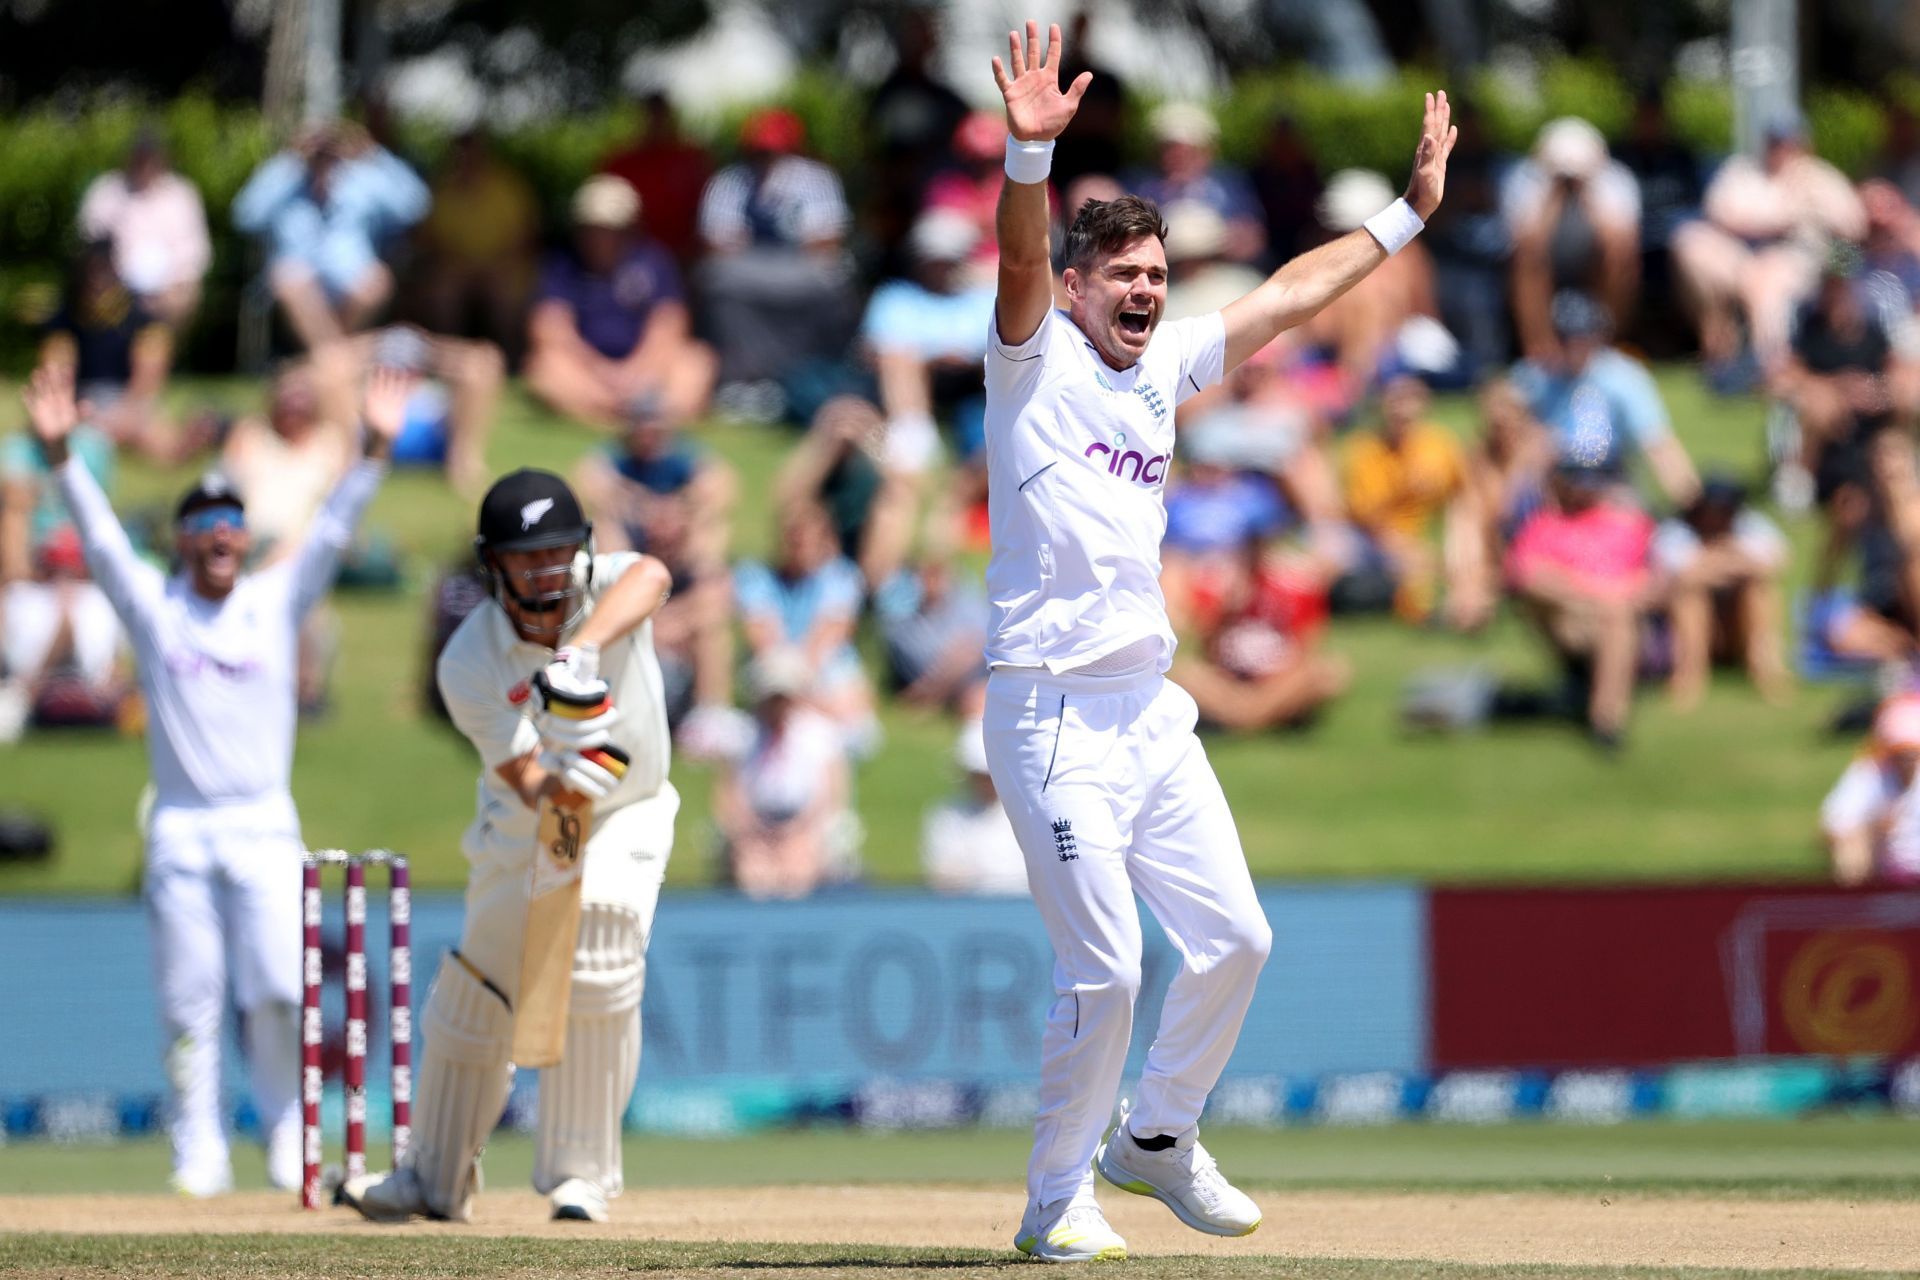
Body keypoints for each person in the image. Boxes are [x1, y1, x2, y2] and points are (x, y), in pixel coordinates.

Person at [981, 20, 1454, 1260]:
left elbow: (1292, 291)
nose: (1143, 290)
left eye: (1155, 274)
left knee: (1238, 936)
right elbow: (1016, 256)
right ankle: (1052, 1205)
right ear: (1078, 288)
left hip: (1148, 708)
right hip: (1049, 714)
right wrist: (1030, 157)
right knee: (1110, 969)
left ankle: (1154, 1138)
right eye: (1121, 275)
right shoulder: (1028, 362)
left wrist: (1406, 214)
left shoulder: (1164, 366)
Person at [18, 359, 404, 1196]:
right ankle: (197, 1149)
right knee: (190, 1002)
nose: (223, 534)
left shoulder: (273, 600)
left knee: (273, 988)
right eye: (206, 523)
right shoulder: (157, 608)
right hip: (182, 825)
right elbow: (104, 544)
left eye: (233, 520)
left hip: (264, 821)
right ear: (187, 538)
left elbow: (334, 530)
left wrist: (373, 448)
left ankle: (283, 1131)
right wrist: (58, 459)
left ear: (244, 534)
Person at [342, 468, 678, 1225]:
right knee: (473, 998)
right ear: (492, 565)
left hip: (631, 810)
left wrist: (581, 654)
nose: (547, 570)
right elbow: (529, 781)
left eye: (559, 553)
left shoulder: (609, 588)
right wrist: (569, 765)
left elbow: (654, 573)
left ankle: (579, 1177)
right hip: (526, 825)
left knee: (602, 942)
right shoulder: (468, 659)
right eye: (527, 558)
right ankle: (431, 1179)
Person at [1671, 114, 1866, 382]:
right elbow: (1718, 213)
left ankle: (1770, 362)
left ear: (1802, 144)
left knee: (1765, 280)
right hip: (1741, 254)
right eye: (1774, 141)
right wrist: (1772, 223)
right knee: (1690, 241)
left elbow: (1853, 227)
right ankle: (1717, 343)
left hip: (1798, 259)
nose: (1780, 148)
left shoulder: (1820, 177)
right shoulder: (1743, 169)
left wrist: (1809, 218)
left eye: (1786, 142)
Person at [526, 175, 716, 431]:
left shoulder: (654, 260)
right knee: (545, 369)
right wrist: (599, 369)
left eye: (607, 229)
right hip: (585, 369)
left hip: (648, 369)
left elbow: (670, 325)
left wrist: (637, 370)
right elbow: (549, 328)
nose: (598, 238)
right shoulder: (562, 264)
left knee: (696, 362)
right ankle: (627, 415)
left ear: (628, 228)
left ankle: (651, 416)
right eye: (591, 228)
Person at [695, 109, 857, 392]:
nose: (765, 158)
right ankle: (742, 380)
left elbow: (828, 241)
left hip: (802, 269)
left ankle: (817, 372)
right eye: (759, 151)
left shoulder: (816, 178)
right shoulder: (729, 182)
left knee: (834, 276)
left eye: (772, 151)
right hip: (748, 269)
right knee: (716, 278)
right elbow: (716, 244)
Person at [231, 121, 430, 351]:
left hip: (352, 277)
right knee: (288, 278)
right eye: (318, 151)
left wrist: (375, 155)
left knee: (377, 282)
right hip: (298, 283)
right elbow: (244, 216)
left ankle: (327, 361)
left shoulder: (361, 181)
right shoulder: (285, 184)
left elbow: (416, 207)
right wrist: (288, 159)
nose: (324, 157)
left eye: (330, 150)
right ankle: (337, 362)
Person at [1504, 449, 1656, 750]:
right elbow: (1525, 575)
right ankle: (1604, 717)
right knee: (1610, 609)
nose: (1581, 487)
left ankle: (1606, 719)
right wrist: (1593, 594)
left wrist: (1604, 596)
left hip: (1621, 619)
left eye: (1589, 480)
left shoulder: (1629, 523)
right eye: (1573, 478)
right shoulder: (1545, 524)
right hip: (1568, 619)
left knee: (1617, 616)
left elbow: (1651, 581)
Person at [1510, 289, 1700, 508]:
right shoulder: (1531, 379)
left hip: (1608, 482)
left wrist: (1694, 507)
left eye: (1581, 338)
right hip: (1552, 485)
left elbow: (1658, 445)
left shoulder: (1623, 377)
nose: (1574, 348)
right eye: (1565, 339)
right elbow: (1508, 443)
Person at [732, 501, 876, 750]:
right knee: (776, 676)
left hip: (821, 665)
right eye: (793, 539)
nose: (799, 547)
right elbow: (762, 635)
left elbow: (830, 634)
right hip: (777, 661)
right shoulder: (755, 575)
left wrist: (800, 681)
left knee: (848, 701)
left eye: (806, 539)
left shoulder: (842, 577)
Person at [714, 647, 854, 899]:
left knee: (797, 868)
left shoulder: (819, 734)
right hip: (758, 827)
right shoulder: (743, 734)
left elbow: (830, 795)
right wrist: (751, 831)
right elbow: (730, 794)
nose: (777, 706)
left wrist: (797, 831)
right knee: (754, 871)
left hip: (805, 825)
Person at [1504, 117, 1642, 360]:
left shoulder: (1617, 179)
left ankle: (1605, 344)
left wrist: (1587, 193)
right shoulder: (1523, 179)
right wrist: (1553, 197)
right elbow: (1527, 242)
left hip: (1593, 265)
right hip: (1544, 266)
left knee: (1620, 259)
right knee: (1527, 261)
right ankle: (1540, 348)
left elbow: (1619, 241)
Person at [1653, 476, 1790, 710]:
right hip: (1683, 631)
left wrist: (1715, 561)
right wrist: (1729, 560)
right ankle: (1690, 672)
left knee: (1758, 590)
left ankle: (1765, 667)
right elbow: (1679, 577)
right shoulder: (1676, 529)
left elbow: (1776, 563)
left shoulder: (1750, 523)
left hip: (1736, 628)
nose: (1718, 517)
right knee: (1689, 595)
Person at [1342, 374, 1469, 623]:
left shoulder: (1440, 445)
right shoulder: (1364, 450)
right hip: (1376, 539)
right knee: (1413, 565)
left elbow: (1464, 495)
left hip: (1428, 532)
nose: (1402, 411)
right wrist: (1403, 490)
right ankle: (1424, 613)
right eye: (1396, 402)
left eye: (1410, 402)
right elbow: (1365, 519)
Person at [38, 240, 175, 458]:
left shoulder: (142, 320)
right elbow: (55, 377)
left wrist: (123, 416)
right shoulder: (65, 321)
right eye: (93, 274)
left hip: (128, 403)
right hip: (81, 404)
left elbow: (147, 381)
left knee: (160, 441)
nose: (99, 283)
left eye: (105, 273)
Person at [411, 130, 540, 356]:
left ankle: (509, 357)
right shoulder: (443, 191)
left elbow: (526, 237)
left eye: (473, 154)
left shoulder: (506, 186)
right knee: (442, 290)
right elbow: (429, 240)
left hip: (503, 265)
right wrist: (457, 261)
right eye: (461, 155)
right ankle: (450, 357)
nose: (467, 160)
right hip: (458, 267)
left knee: (505, 292)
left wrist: (495, 264)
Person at [76, 130, 211, 329]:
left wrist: (174, 286)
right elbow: (90, 242)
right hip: (115, 285)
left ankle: (163, 355)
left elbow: (195, 255)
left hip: (171, 289)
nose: (145, 166)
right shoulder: (107, 191)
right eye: (140, 158)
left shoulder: (182, 195)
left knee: (186, 297)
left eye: (150, 159)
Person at [1129, 102, 1266, 265]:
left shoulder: (1229, 185)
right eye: (1168, 150)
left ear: (1208, 152)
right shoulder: (1140, 186)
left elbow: (1253, 239)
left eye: (1187, 151)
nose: (1176, 157)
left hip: (1220, 271)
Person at [599, 93, 714, 266]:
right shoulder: (621, 162)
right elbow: (605, 212)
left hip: (685, 255)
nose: (656, 121)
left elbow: (708, 210)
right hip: (632, 254)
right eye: (651, 114)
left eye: (661, 114)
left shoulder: (692, 158)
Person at [1822, 693, 1920, 886]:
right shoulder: (1870, 772)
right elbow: (1835, 827)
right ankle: (1856, 903)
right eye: (1901, 753)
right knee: (1850, 846)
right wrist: (1875, 829)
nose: (1906, 760)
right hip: (1883, 865)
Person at [922, 719, 1029, 895]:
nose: (988, 783)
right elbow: (944, 877)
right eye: (981, 776)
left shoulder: (1027, 813)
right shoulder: (947, 815)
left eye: (992, 775)